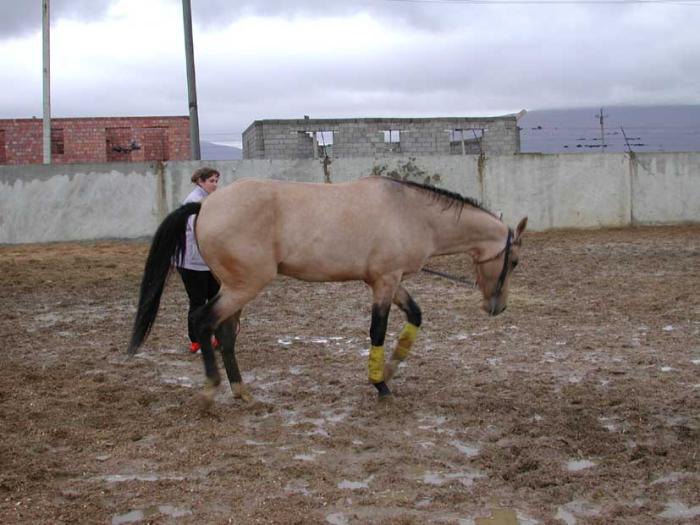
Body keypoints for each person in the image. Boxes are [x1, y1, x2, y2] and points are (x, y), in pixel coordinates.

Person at [177, 167, 221, 353]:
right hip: (192, 261)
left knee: (215, 298)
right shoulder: (194, 201)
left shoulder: (209, 200)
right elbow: (198, 231)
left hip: (207, 261)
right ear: (200, 182)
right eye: (211, 181)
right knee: (198, 302)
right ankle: (196, 340)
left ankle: (216, 336)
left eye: (216, 181)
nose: (215, 185)